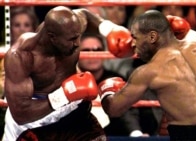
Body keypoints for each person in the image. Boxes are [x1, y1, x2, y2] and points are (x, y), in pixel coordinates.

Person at [2, 5, 134, 141]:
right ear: (52, 37)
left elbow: (86, 16)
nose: (78, 44)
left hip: (73, 115)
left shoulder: (69, 27)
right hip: (35, 122)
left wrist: (109, 29)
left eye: (78, 37)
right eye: (72, 39)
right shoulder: (22, 56)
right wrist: (64, 95)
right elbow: (20, 114)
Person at [98, 10, 196, 140]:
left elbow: (114, 109)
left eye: (135, 37)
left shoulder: (148, 72)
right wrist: (188, 34)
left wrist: (106, 91)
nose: (132, 44)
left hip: (190, 136)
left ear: (152, 36)